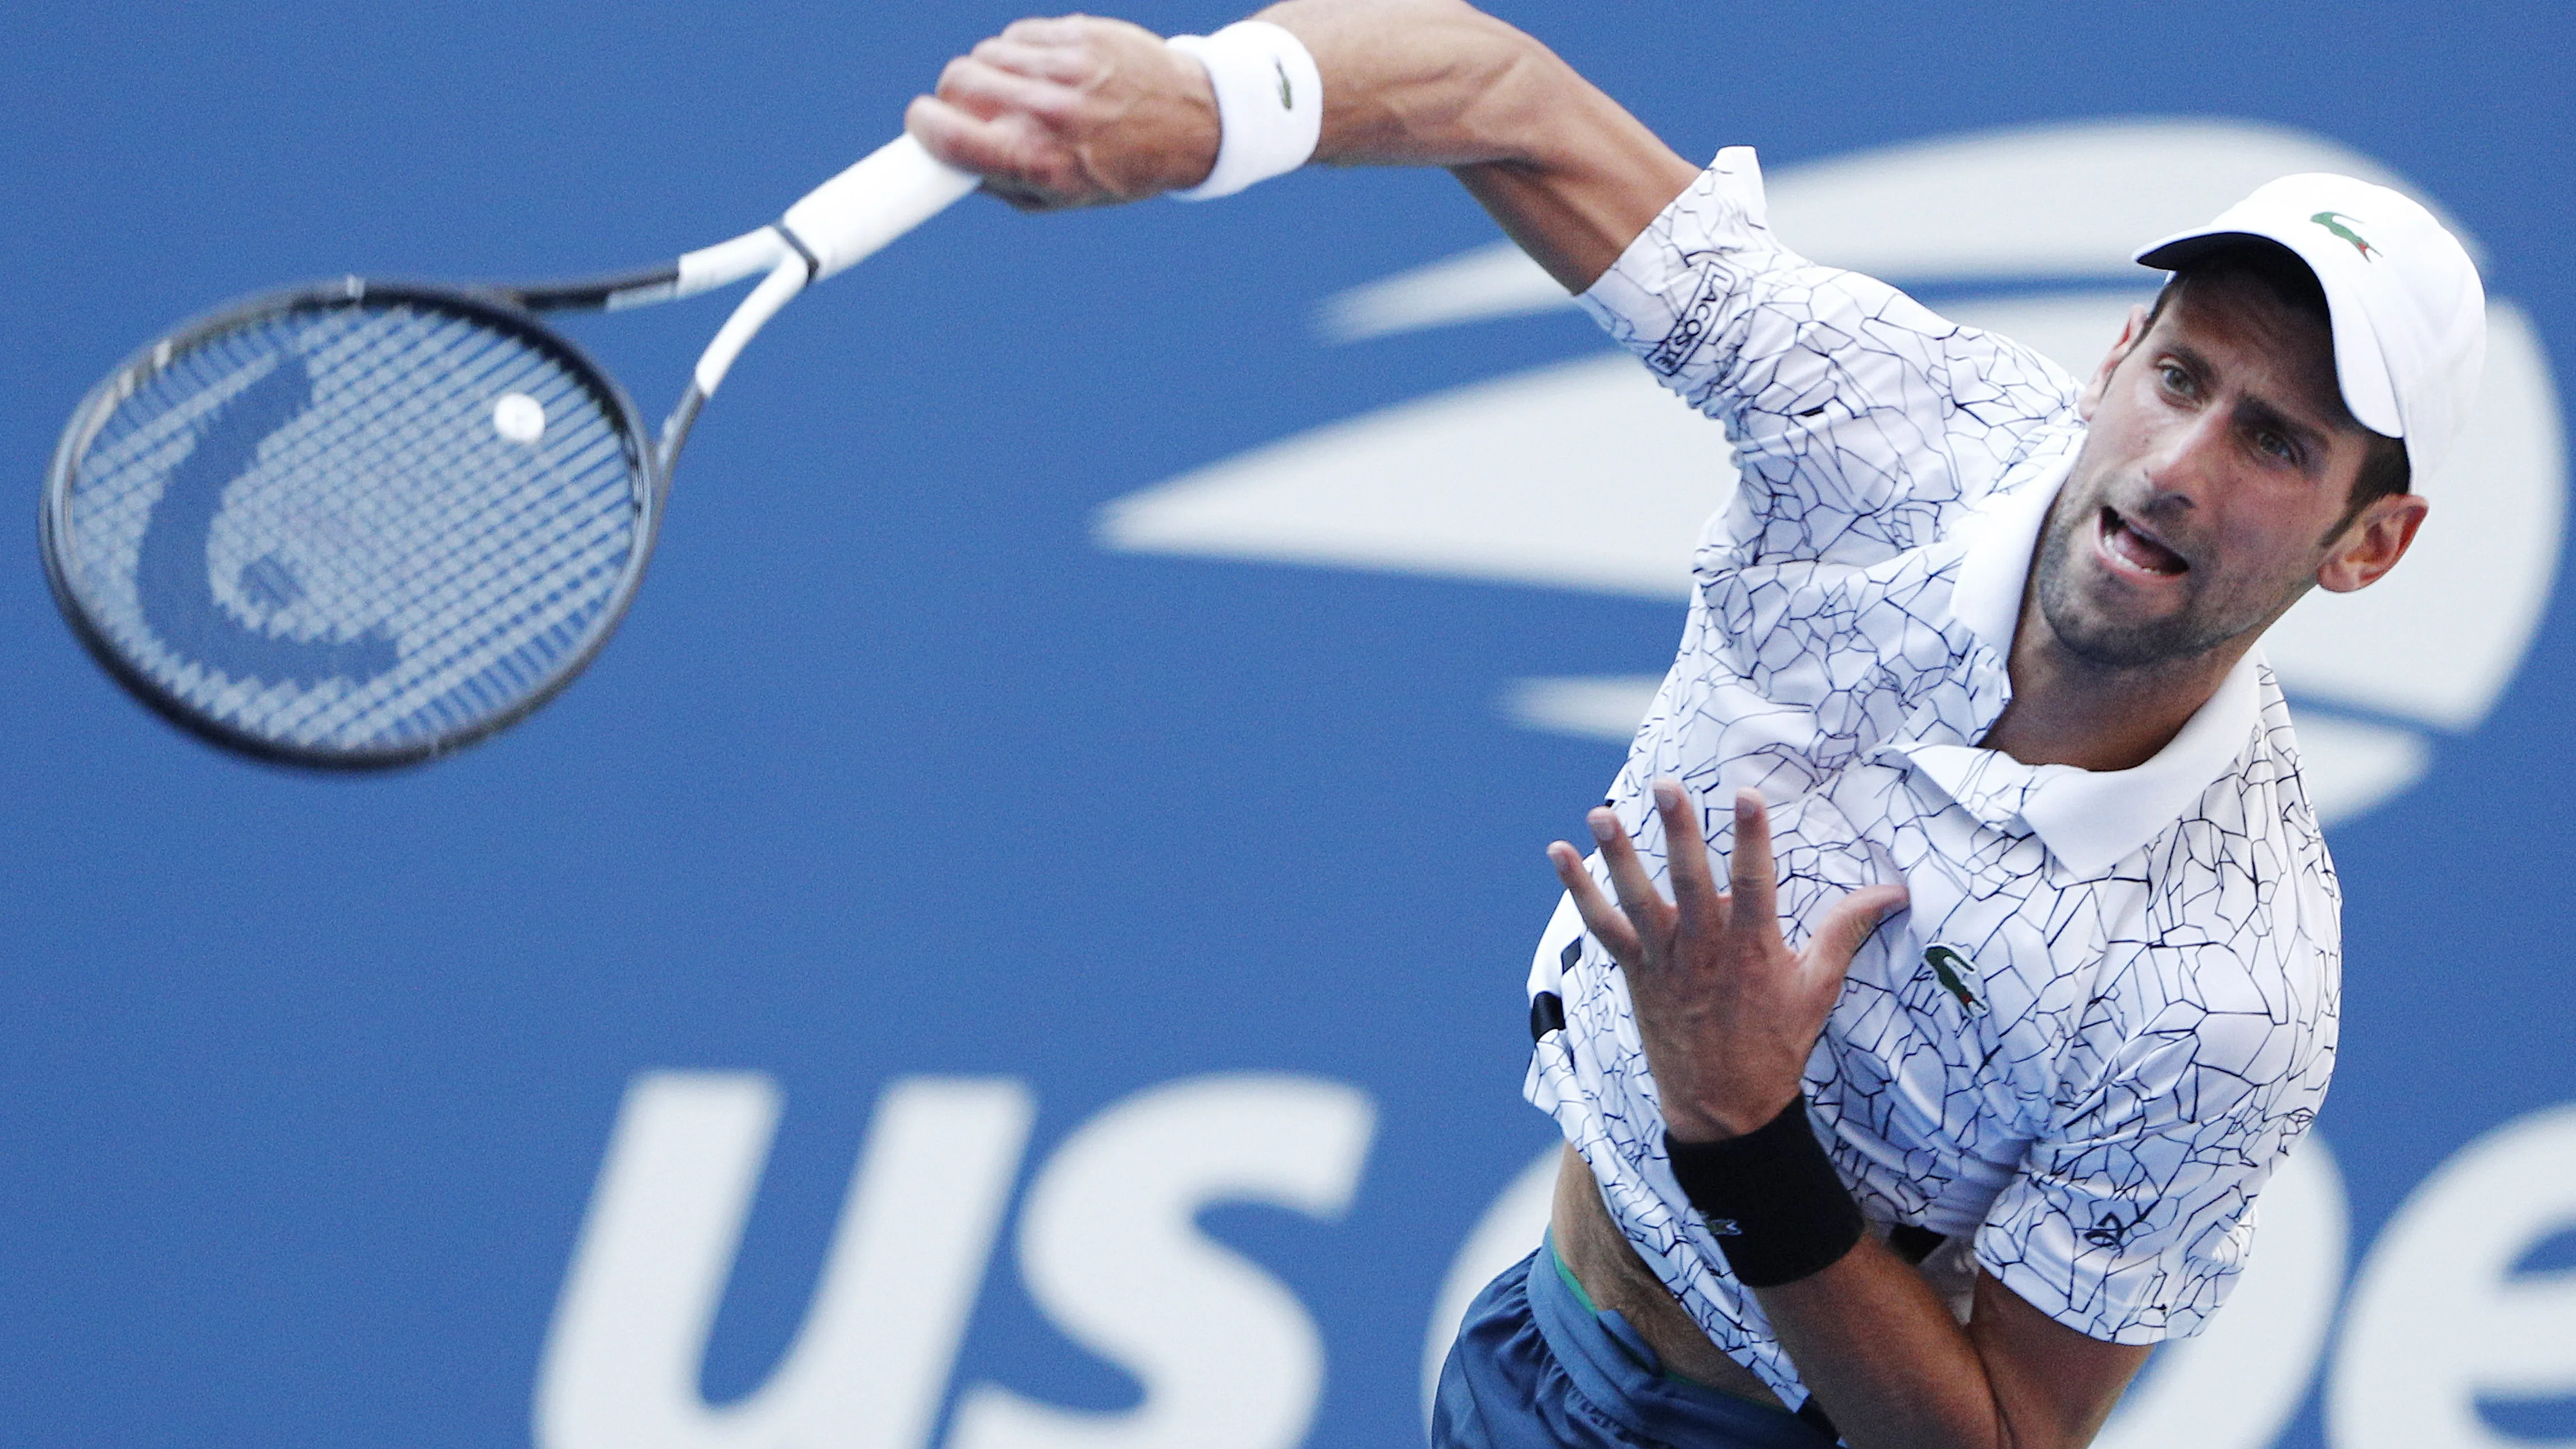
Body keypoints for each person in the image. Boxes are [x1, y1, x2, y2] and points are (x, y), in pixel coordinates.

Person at [905, 5, 2487, 1447]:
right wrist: (1203, 100)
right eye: (2182, 374)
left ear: (2370, 544)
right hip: (1533, 1337)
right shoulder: (1895, 424)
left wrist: (1743, 1131)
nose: (2179, 466)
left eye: (2275, 442)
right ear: (2115, 358)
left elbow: (1998, 1438)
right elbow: (1504, 97)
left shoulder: (2231, 989)